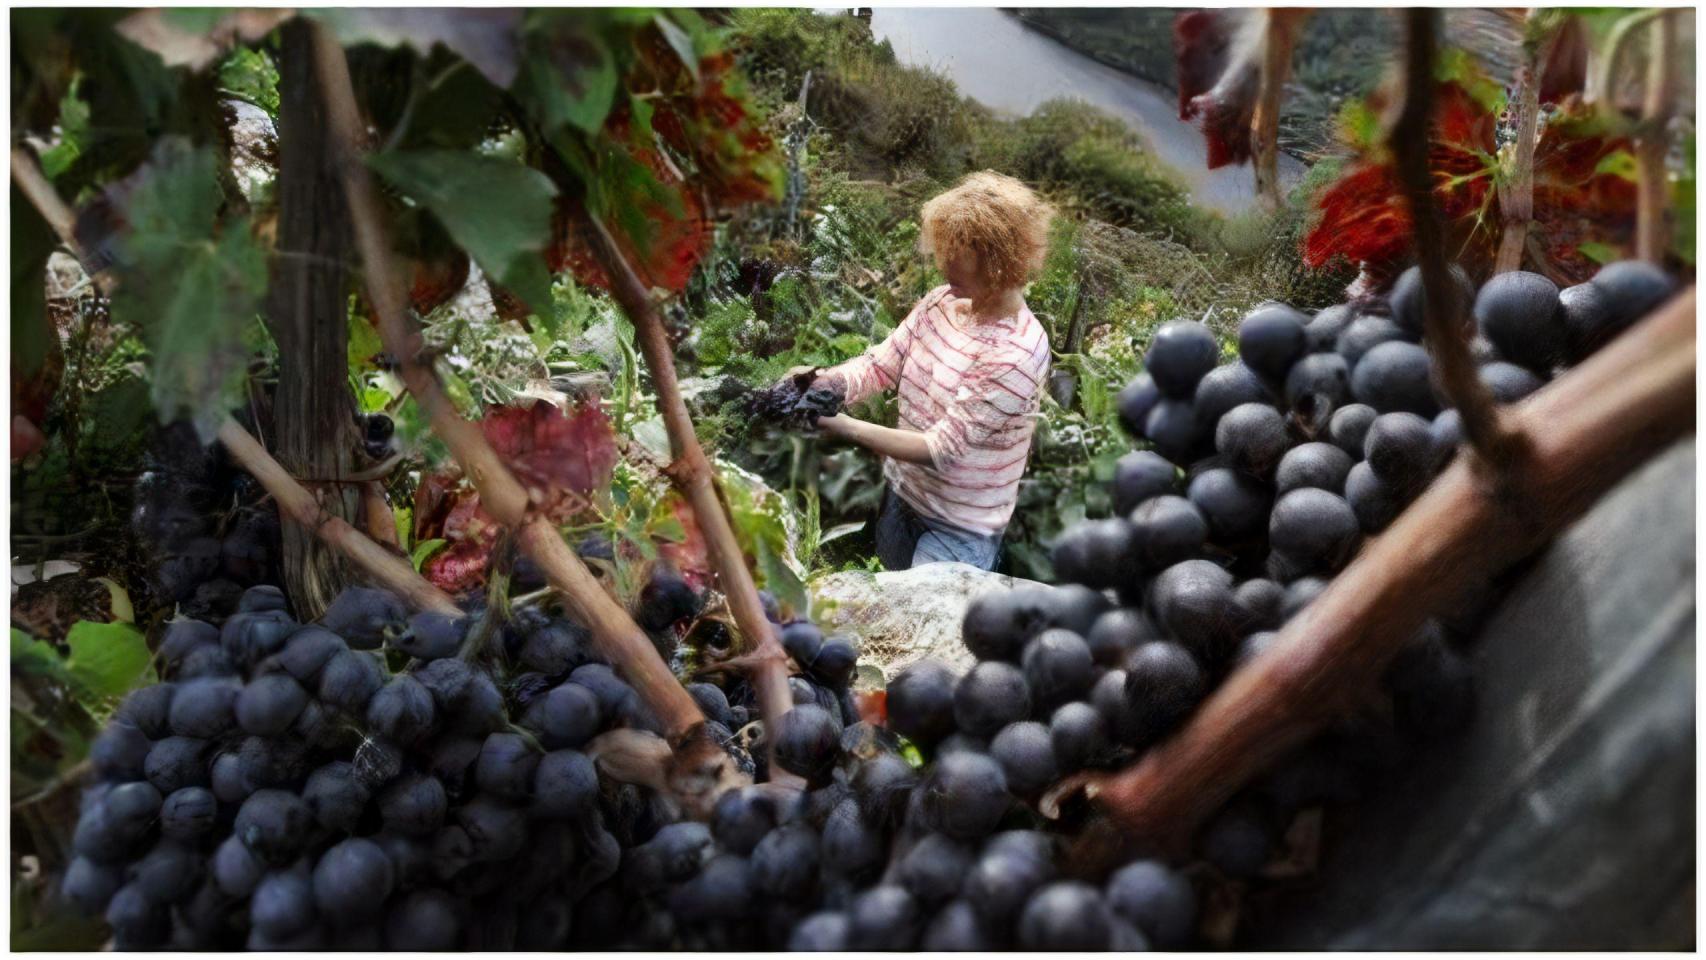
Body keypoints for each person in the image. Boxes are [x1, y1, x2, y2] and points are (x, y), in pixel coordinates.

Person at [795, 170, 1054, 571]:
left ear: (998, 257)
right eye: (944, 245)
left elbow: (941, 449)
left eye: (958, 249)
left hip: (959, 529)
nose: (943, 260)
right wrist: (829, 382)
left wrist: (839, 424)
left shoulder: (1017, 352)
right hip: (904, 497)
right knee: (889, 598)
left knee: (915, 626)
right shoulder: (941, 304)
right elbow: (880, 365)